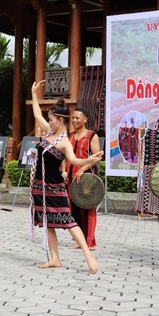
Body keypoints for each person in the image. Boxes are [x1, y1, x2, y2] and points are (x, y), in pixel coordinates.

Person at [30, 81, 103, 273]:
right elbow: (37, 114)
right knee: (48, 222)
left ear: (60, 120)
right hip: (40, 186)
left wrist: (88, 159)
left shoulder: (64, 142)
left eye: (51, 118)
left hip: (55, 187)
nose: (49, 121)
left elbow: (73, 160)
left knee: (68, 221)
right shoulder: (48, 133)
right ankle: (54, 258)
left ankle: (87, 253)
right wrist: (34, 94)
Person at [64, 107, 101, 250]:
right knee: (74, 209)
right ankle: (80, 240)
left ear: (85, 120)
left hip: (87, 178)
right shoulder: (70, 136)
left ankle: (90, 241)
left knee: (88, 208)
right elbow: (65, 157)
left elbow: (96, 157)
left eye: (77, 118)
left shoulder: (92, 136)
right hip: (71, 178)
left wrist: (81, 169)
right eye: (73, 118)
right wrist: (64, 171)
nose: (74, 120)